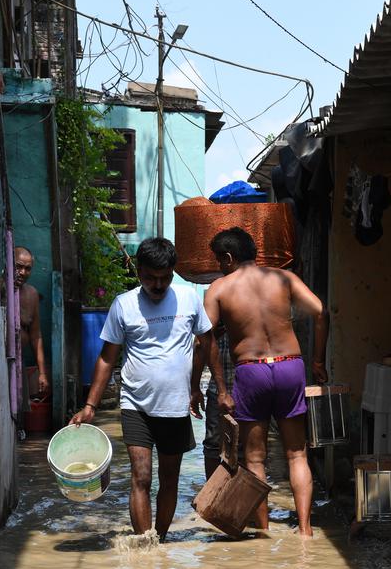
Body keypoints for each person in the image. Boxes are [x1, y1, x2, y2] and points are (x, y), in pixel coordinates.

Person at [70, 238, 233, 541]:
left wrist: (220, 390)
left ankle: (161, 539)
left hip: (176, 406)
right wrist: (90, 406)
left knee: (169, 480)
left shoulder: (188, 299)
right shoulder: (124, 304)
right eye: (150, 278)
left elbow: (207, 344)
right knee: (141, 477)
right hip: (136, 406)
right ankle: (146, 549)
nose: (158, 285)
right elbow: (107, 357)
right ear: (138, 270)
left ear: (173, 272)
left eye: (165, 277)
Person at [195, 227, 329, 537]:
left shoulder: (218, 289)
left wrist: (201, 387)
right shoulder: (284, 278)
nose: (218, 267)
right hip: (289, 366)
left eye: (219, 261)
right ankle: (305, 529)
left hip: (251, 370)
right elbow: (321, 313)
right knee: (297, 454)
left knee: (254, 458)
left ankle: (264, 530)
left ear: (228, 258)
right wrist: (318, 361)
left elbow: (204, 340)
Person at [191, 324, 237, 479]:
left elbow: (199, 346)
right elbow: (199, 345)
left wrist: (195, 387)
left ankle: (225, 492)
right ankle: (212, 491)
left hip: (242, 388)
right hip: (220, 391)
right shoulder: (213, 325)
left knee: (214, 444)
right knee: (214, 445)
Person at [15, 247, 50, 435]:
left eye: (27, 269)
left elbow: (36, 335)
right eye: (18, 267)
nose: (23, 273)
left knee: (20, 407)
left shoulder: (31, 294)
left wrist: (42, 373)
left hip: (18, 362)